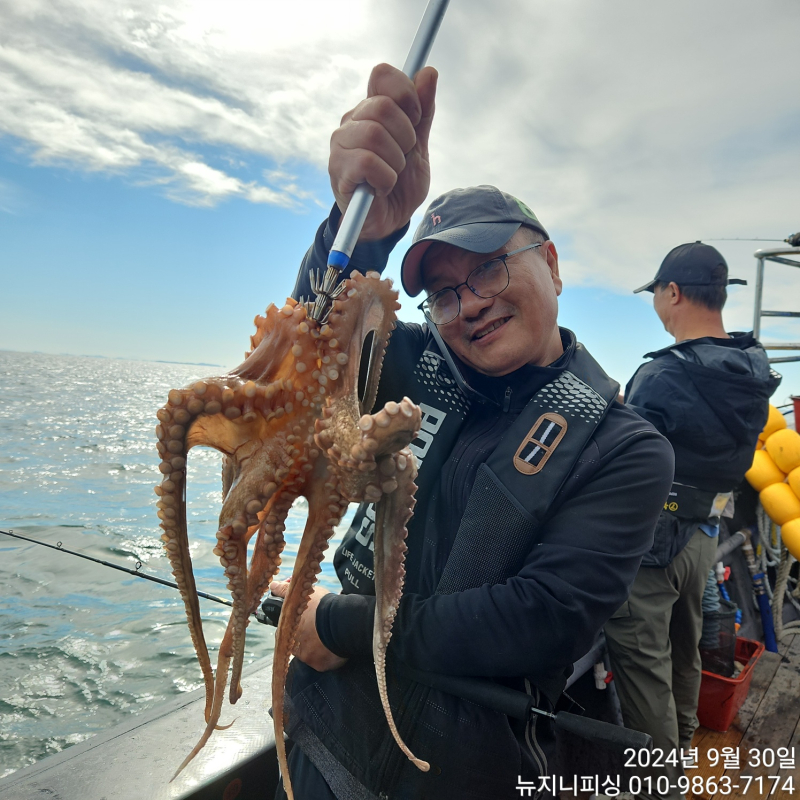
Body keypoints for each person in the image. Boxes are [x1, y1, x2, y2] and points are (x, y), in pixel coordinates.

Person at [269, 63, 674, 800]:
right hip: (325, 743)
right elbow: (308, 351)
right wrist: (359, 233)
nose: (471, 305)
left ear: (550, 264)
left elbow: (541, 619)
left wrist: (337, 625)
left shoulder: (626, 447)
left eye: (488, 269)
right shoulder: (414, 365)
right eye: (445, 294)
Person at [604, 242, 780, 799]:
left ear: (673, 292)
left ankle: (661, 786)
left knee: (644, 663)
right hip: (704, 534)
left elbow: (621, 461)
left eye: (657, 292)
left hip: (652, 547)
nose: (657, 302)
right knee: (687, 648)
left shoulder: (659, 376)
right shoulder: (753, 368)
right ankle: (683, 746)